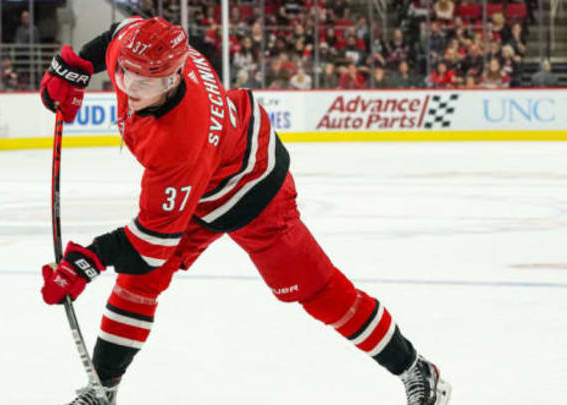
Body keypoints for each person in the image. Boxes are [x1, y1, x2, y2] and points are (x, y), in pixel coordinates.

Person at [38, 16, 452, 405]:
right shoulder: (140, 53)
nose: (126, 87)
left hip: (251, 191)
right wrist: (72, 67)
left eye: (141, 83)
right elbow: (119, 33)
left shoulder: (179, 141)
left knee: (318, 293)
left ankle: (417, 370)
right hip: (201, 184)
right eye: (122, 73)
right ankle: (103, 387)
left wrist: (87, 260)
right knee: (138, 282)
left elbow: (150, 244)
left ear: (170, 79)